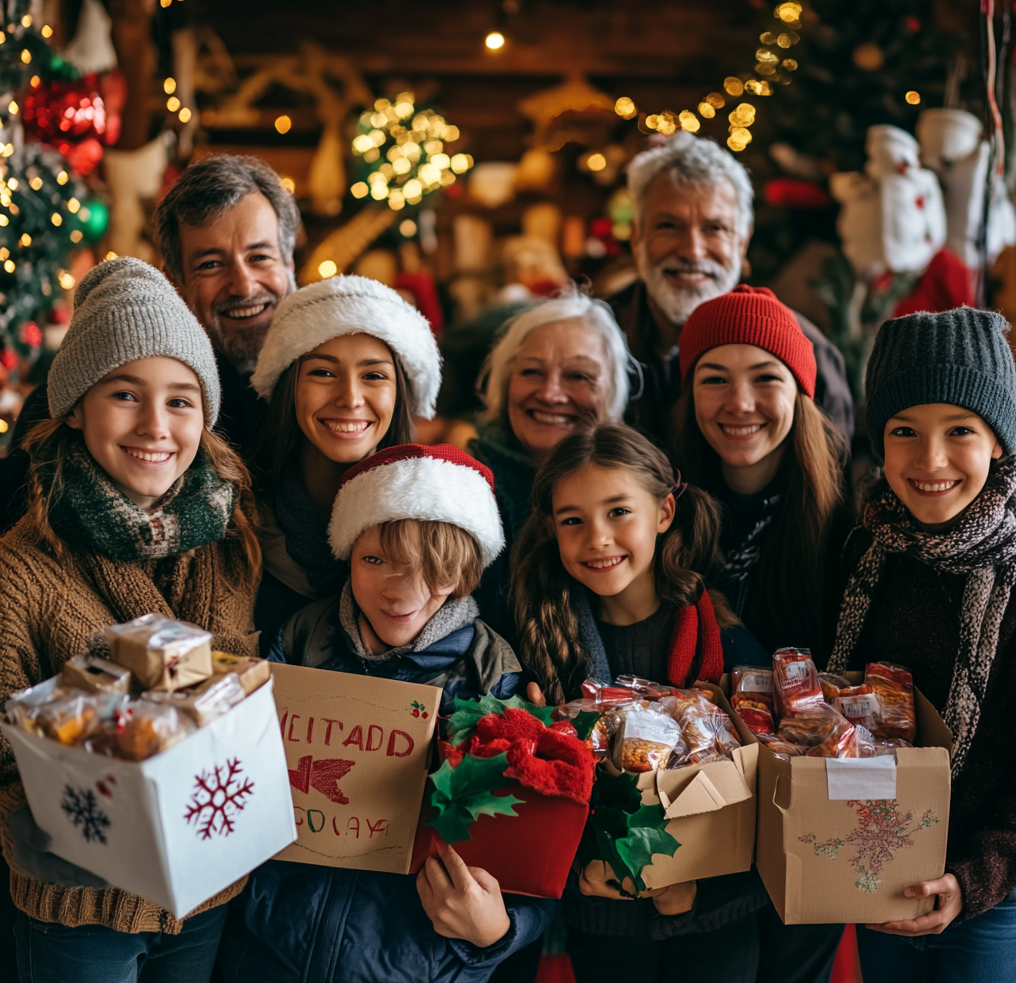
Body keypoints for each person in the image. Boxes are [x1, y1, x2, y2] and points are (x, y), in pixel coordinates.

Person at [0, 258, 261, 983]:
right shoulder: (21, 569)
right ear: (76, 407)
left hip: (206, 896)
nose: (156, 426)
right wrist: (59, 816)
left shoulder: (230, 540)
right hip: (80, 910)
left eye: (180, 401)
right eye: (124, 394)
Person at [219, 444, 556, 983]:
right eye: (376, 561)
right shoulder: (302, 639)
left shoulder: (491, 677)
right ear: (349, 552)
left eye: (432, 568)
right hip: (265, 974)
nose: (401, 591)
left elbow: (531, 856)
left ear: (466, 570)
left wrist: (499, 931)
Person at [510, 423, 767, 983]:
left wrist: (702, 891)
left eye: (618, 511)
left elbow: (776, 800)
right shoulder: (544, 651)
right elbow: (523, 799)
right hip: (603, 923)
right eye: (572, 519)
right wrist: (579, 872)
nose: (597, 538)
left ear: (664, 511)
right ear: (551, 528)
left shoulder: (725, 643)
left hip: (717, 923)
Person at [827, 308, 1016, 983]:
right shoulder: (868, 555)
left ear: (1000, 443)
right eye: (904, 430)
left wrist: (972, 880)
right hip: (877, 872)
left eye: (960, 431)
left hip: (988, 893)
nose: (930, 459)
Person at [672, 285, 851, 983]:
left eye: (765, 378)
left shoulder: (846, 522)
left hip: (810, 811)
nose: (739, 402)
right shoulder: (660, 514)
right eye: (714, 377)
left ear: (801, 393)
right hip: (700, 815)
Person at [0, 154, 300, 531]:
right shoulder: (81, 389)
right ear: (176, 282)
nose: (243, 285)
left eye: (260, 256)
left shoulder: (333, 380)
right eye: (211, 264)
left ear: (289, 264)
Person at [607, 132, 853, 446]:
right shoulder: (595, 342)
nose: (693, 251)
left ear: (742, 242)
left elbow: (828, 487)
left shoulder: (806, 355)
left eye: (715, 228)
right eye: (668, 226)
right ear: (637, 236)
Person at [248, 274, 440, 653]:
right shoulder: (239, 520)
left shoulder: (441, 525)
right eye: (323, 372)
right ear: (289, 385)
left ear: (400, 392)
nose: (350, 398)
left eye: (373, 376)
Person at [470, 290, 634, 640]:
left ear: (614, 394)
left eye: (578, 375)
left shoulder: (641, 498)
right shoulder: (459, 490)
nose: (550, 394)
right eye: (531, 371)